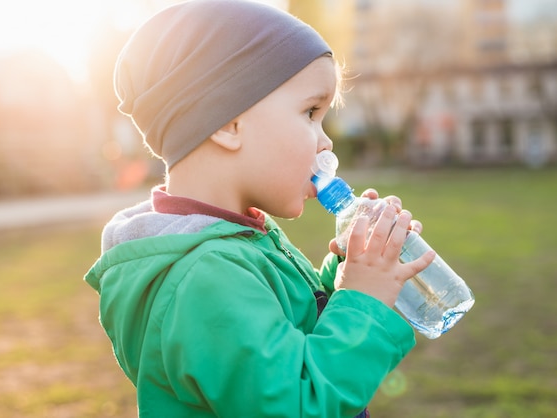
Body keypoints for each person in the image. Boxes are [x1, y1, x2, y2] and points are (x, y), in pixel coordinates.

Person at [84, 1, 435, 417]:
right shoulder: (203, 275)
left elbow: (288, 336)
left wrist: (350, 273)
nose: (326, 143)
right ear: (227, 122)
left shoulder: (231, 240)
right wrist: (364, 299)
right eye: (310, 113)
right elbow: (298, 403)